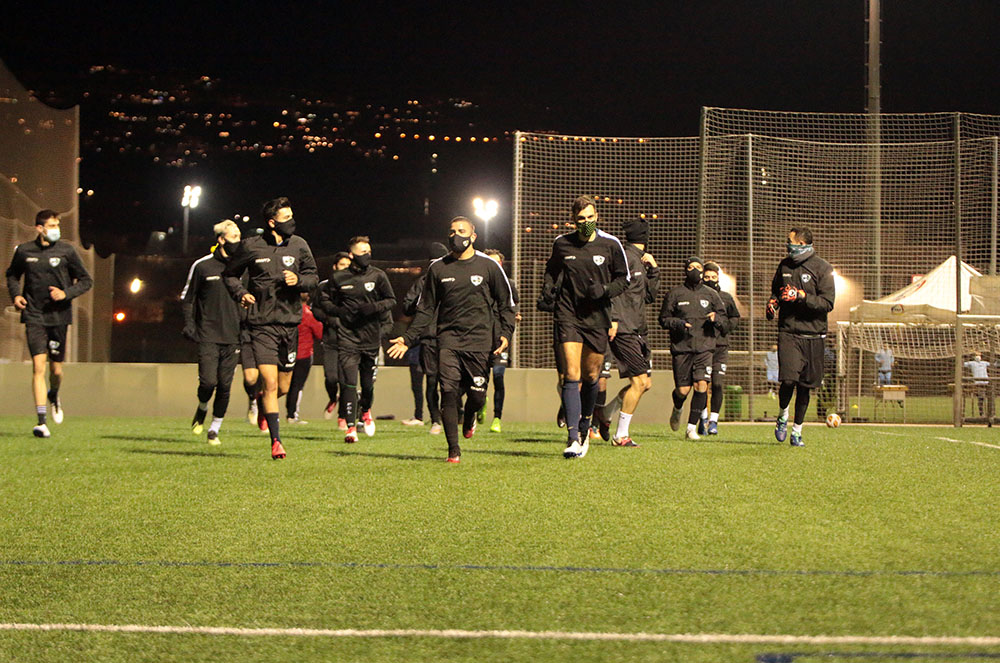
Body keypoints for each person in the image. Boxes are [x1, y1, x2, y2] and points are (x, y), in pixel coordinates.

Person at [388, 216, 515, 463]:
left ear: (473, 236)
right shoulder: (438, 268)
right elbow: (425, 309)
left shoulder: (489, 266)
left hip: (480, 342)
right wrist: (407, 338)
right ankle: (453, 450)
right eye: (452, 231)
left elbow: (506, 304)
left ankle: (469, 419)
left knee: (477, 396)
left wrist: (505, 333)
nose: (455, 235)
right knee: (447, 391)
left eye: (461, 230)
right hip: (448, 341)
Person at [223, 197, 318, 460]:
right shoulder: (251, 246)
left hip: (290, 325)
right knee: (272, 382)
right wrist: (241, 292)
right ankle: (277, 442)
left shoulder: (300, 246)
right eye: (286, 218)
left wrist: (298, 280)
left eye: (292, 216)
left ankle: (266, 405)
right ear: (272, 222)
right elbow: (230, 274)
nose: (292, 222)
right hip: (261, 325)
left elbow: (314, 278)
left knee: (284, 386)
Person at [543, 195, 630, 458]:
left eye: (590, 218)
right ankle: (571, 438)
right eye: (581, 219)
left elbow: (623, 279)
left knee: (592, 376)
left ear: (597, 217)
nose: (586, 223)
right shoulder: (562, 244)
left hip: (597, 317)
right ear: (573, 220)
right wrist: (548, 290)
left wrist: (604, 291)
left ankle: (584, 427)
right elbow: (551, 271)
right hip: (568, 315)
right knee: (571, 374)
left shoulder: (610, 244)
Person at [5, 209, 93, 438]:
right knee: (38, 368)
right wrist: (15, 295)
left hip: (59, 317)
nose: (56, 230)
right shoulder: (24, 251)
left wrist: (66, 294)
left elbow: (86, 280)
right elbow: (12, 275)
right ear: (39, 228)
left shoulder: (67, 251)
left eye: (57, 225)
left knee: (56, 369)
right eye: (52, 226)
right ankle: (41, 422)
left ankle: (54, 394)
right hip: (34, 316)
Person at [319, 236, 395, 443]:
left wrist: (374, 308)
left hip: (370, 339)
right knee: (349, 384)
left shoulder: (378, 276)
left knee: (368, 386)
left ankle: (366, 411)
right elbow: (324, 300)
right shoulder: (339, 278)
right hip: (347, 338)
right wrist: (339, 312)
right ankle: (350, 428)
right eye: (362, 252)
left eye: (368, 251)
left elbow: (391, 300)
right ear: (352, 255)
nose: (366, 255)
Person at [766, 226, 836, 447]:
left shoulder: (823, 268)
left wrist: (802, 296)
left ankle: (797, 430)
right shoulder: (784, 265)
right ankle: (782, 415)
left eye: (791, 241)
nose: (787, 245)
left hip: (814, 335)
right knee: (788, 379)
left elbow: (827, 303)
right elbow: (776, 290)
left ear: (803, 245)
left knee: (805, 386)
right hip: (789, 332)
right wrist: (773, 303)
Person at [180, 220, 243, 445]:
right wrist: (190, 324)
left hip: (234, 336)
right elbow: (188, 298)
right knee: (208, 383)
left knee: (225, 386)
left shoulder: (244, 267)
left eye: (239, 235)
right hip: (208, 333)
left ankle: (214, 429)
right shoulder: (202, 266)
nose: (238, 240)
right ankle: (202, 406)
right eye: (233, 236)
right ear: (221, 239)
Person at [602, 217, 659, 447]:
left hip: (638, 330)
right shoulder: (625, 257)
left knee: (645, 384)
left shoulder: (641, 260)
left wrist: (654, 271)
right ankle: (620, 435)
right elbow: (613, 290)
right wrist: (613, 319)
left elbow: (649, 297)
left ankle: (605, 414)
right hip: (624, 328)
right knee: (638, 381)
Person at [659, 257, 727, 440]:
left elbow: (725, 322)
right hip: (682, 348)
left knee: (702, 385)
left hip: (705, 348)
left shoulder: (712, 295)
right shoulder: (675, 294)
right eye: (691, 267)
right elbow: (663, 319)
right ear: (685, 271)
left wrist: (717, 320)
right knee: (683, 390)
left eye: (698, 267)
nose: (695, 271)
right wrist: (678, 323)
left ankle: (691, 428)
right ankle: (677, 408)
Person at [402, 242, 449, 434]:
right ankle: (435, 420)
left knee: (451, 381)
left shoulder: (453, 279)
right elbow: (407, 306)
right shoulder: (422, 283)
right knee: (431, 380)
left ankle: (458, 414)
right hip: (429, 338)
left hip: (451, 336)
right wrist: (420, 300)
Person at [481, 249, 521, 433]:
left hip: (500, 338)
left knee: (498, 376)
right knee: (479, 379)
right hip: (480, 336)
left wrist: (514, 318)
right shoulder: (479, 283)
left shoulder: (509, 284)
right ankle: (480, 402)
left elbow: (513, 307)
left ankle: (497, 417)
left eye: (497, 262)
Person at [699, 261, 740, 436]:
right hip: (701, 347)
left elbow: (734, 320)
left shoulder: (726, 298)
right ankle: (702, 418)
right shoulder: (697, 296)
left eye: (713, 277)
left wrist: (721, 323)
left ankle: (714, 421)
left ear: (718, 278)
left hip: (720, 347)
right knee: (701, 385)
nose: (710, 280)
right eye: (706, 277)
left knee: (717, 383)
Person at [312, 252, 352, 430]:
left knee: (345, 380)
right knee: (331, 377)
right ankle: (331, 398)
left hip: (349, 340)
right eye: (342, 264)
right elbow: (316, 309)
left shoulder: (354, 285)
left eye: (348, 265)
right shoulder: (324, 286)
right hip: (330, 339)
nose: (345, 268)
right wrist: (329, 319)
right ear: (335, 267)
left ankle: (342, 416)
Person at [286, 293, 323, 423]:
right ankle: (292, 415)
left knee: (286, 385)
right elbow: (320, 333)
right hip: (304, 354)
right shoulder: (308, 314)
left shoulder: (287, 311)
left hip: (287, 352)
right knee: (297, 385)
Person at [963, 353, 991, 417]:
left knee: (988, 398)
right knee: (981, 398)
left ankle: (988, 413)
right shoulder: (971, 363)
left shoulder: (984, 363)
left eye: (979, 355)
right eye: (976, 355)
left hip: (986, 383)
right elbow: (963, 364)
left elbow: (994, 364)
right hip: (978, 383)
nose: (978, 357)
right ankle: (981, 413)